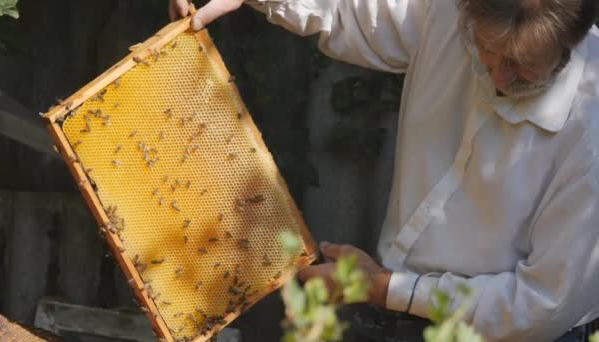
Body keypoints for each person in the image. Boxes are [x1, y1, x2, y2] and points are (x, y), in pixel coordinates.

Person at [169, 0, 599, 341]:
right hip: (395, 316)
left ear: (570, 42)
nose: (500, 76)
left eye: (521, 64)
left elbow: (540, 304)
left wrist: (384, 288)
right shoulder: (450, 13)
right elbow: (349, 11)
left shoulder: (591, 133)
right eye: (488, 49)